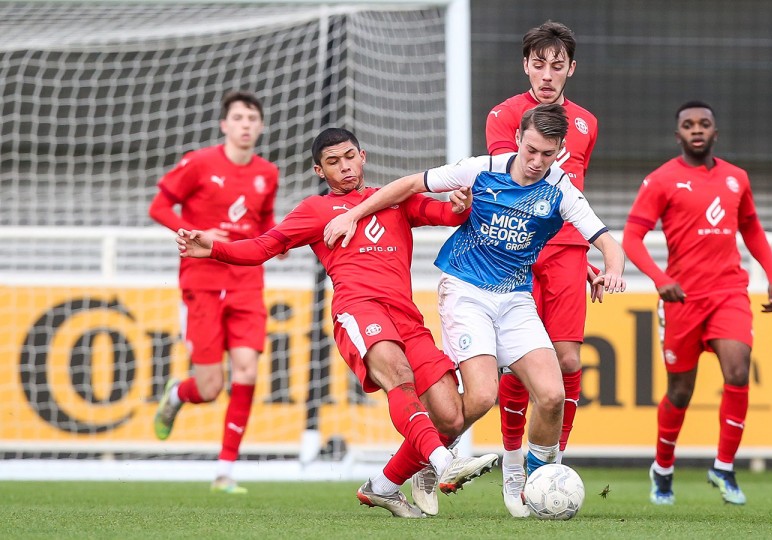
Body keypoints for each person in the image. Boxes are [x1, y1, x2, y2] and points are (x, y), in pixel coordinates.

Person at [177, 127, 498, 517]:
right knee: (397, 374)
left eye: (349, 157)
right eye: (333, 162)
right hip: (358, 309)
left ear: (362, 156)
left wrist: (460, 203)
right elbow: (265, 246)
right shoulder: (315, 211)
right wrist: (213, 248)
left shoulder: (395, 200)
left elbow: (446, 214)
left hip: (406, 316)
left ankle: (382, 486)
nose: (344, 167)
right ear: (319, 170)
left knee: (450, 415)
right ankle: (445, 464)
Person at [323, 103, 626, 515]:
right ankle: (426, 460)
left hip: (515, 297)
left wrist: (612, 269)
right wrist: (354, 214)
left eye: (547, 154)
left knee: (553, 394)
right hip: (465, 289)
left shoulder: (562, 190)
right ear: (518, 139)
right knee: (483, 397)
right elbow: (411, 184)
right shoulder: (481, 168)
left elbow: (607, 240)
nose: (537, 162)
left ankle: (528, 480)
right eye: (531, 150)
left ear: (560, 152)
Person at [622, 101, 772, 506]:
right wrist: (661, 280)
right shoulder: (661, 180)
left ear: (715, 133)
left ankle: (724, 467)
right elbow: (631, 238)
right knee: (680, 391)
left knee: (738, 369)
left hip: (728, 293)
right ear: (678, 135)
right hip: (682, 300)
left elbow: (752, 228)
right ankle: (662, 467)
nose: (697, 129)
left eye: (704, 123)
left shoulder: (736, 179)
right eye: (688, 125)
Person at [484, 20, 601, 517]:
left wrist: (587, 251)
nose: (548, 74)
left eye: (558, 66)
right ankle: (514, 471)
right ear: (525, 65)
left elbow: (572, 195)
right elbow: (507, 189)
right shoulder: (503, 116)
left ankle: (548, 465)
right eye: (539, 64)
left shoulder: (587, 123)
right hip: (520, 250)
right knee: (521, 365)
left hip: (569, 251)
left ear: (571, 69)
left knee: (569, 362)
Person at [149, 90, 282, 494]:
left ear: (260, 126)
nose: (245, 124)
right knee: (209, 388)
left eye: (252, 118)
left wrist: (275, 246)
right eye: (238, 117)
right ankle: (177, 394)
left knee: (247, 371)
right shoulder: (199, 163)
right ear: (224, 124)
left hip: (246, 283)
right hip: (202, 283)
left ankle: (225, 471)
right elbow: (158, 207)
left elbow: (266, 223)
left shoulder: (268, 173)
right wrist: (191, 233)